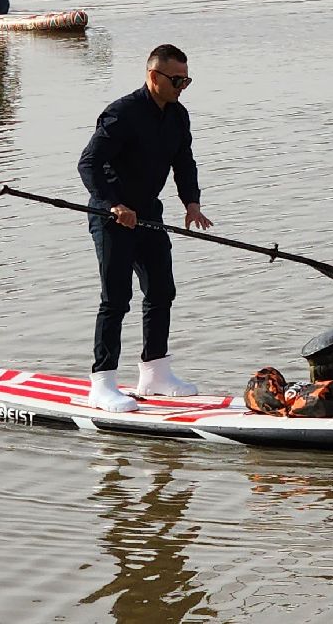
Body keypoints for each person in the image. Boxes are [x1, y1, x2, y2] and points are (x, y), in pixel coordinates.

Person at [76, 44, 213, 412]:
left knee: (161, 290)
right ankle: (102, 382)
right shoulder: (122, 114)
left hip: (149, 214)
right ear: (154, 76)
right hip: (112, 217)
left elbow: (184, 161)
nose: (182, 86)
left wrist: (192, 202)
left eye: (187, 80)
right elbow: (88, 164)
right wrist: (114, 205)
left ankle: (155, 372)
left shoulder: (178, 116)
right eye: (177, 80)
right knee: (116, 298)